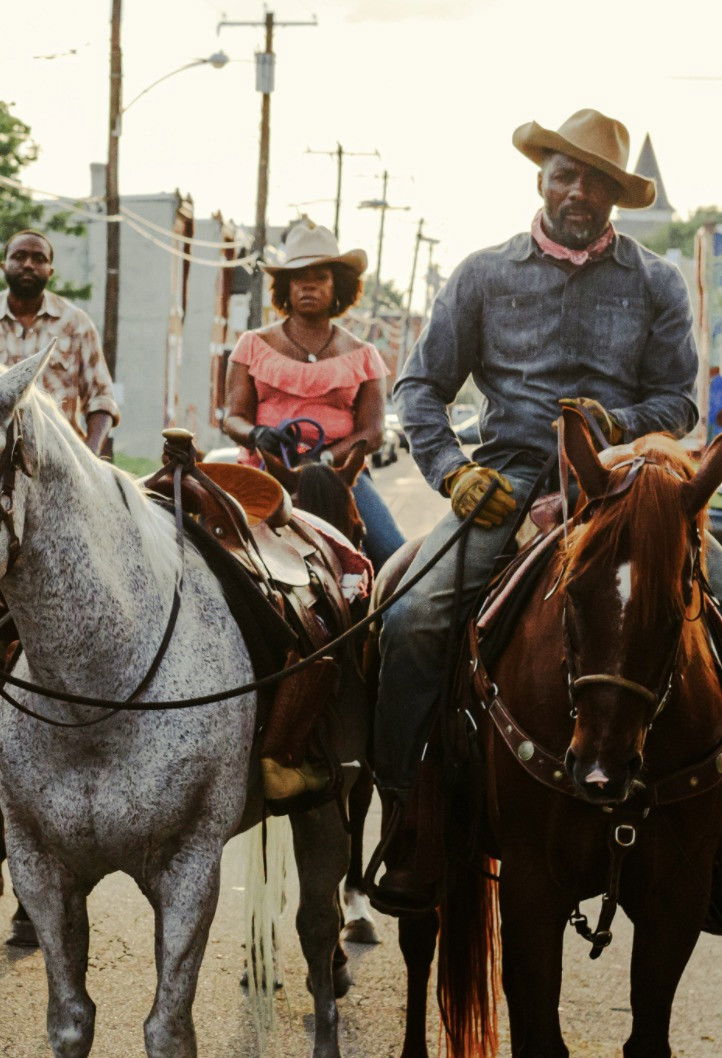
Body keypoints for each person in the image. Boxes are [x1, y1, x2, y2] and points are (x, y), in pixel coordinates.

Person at [372, 108, 722, 913]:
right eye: (566, 175)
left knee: (715, 610)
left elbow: (677, 401)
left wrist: (616, 427)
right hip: (507, 483)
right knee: (412, 621)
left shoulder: (656, 281)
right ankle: (409, 817)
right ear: (541, 180)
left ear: (616, 198)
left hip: (628, 491)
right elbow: (420, 389)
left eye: (596, 181)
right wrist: (453, 472)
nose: (578, 191)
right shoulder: (483, 274)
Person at [222, 220, 405, 572]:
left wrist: (322, 460)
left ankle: (383, 625)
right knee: (213, 552)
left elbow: (373, 432)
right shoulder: (252, 345)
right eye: (297, 277)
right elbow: (233, 417)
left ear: (338, 285)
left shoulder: (364, 354)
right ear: (285, 287)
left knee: (393, 554)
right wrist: (257, 434)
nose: (308, 284)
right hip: (262, 468)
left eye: (320, 276)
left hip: (338, 477)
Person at [0, 230, 119, 454]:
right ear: (3, 265)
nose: (28, 264)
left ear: (50, 271)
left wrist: (89, 459)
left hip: (60, 459)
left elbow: (102, 399)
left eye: (39, 259)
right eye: (18, 256)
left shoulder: (76, 323)